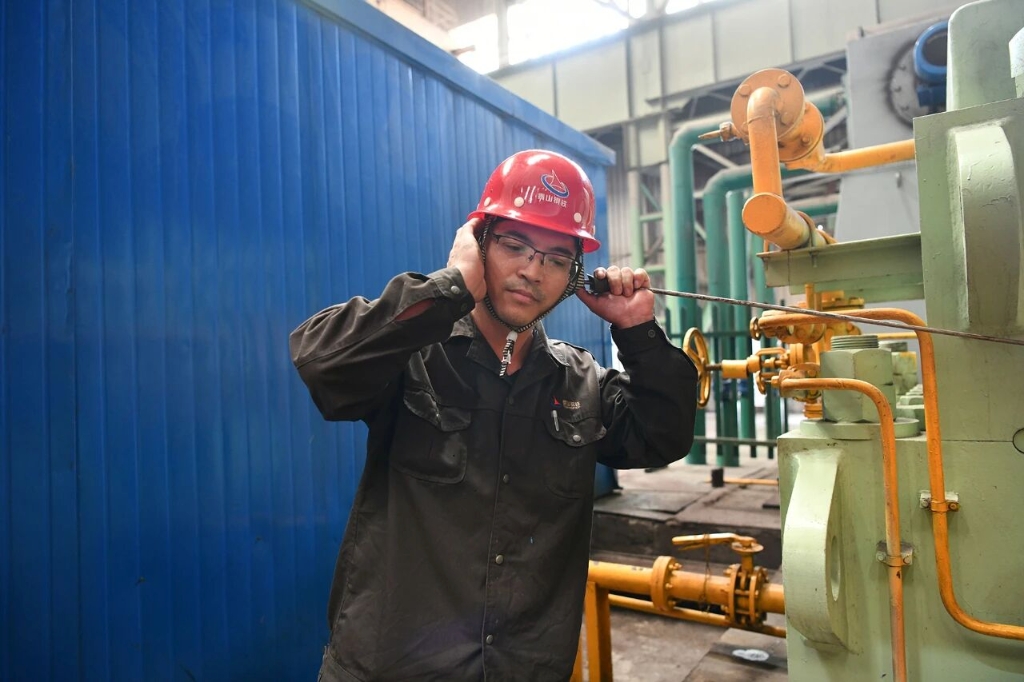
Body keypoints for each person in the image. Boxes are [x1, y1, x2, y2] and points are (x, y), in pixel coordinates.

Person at [290, 149, 697, 681]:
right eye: (514, 246)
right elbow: (322, 364)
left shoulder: (581, 383)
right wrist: (451, 286)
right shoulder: (415, 356)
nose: (532, 270)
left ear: (575, 276)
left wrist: (638, 333)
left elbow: (663, 436)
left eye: (556, 259)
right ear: (478, 242)